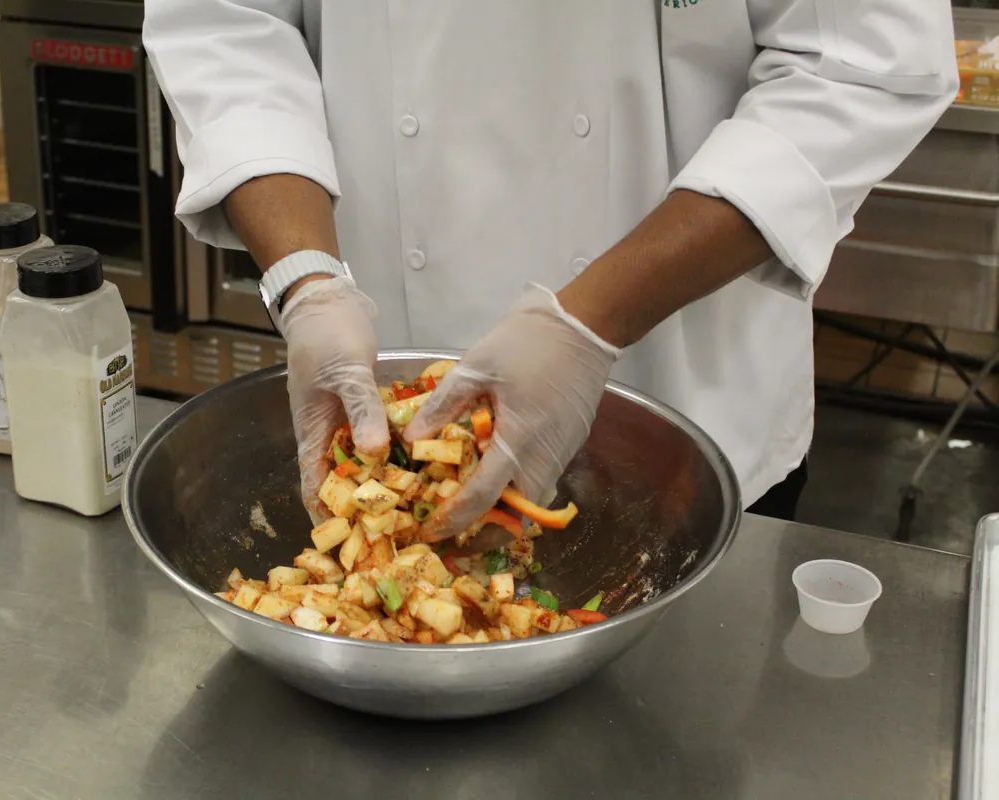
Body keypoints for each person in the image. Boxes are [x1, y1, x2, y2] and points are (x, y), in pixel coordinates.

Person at [143, 1, 957, 536]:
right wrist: (308, 278)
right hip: (385, 369)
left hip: (691, 403)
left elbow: (863, 65)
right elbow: (226, 24)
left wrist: (588, 322)